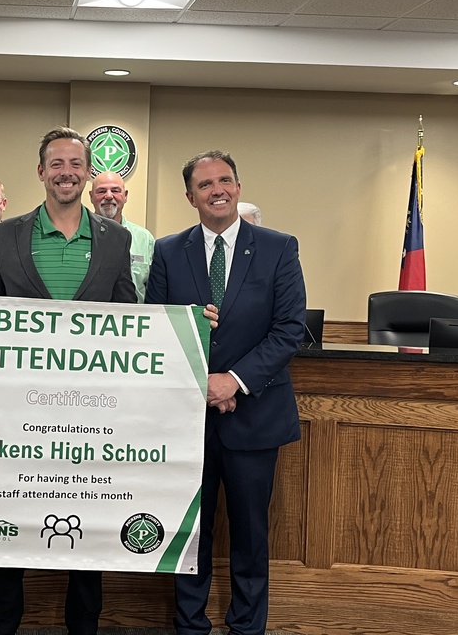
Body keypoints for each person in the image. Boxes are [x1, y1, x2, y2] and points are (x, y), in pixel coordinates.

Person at [0, 127, 136, 635]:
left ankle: (84, 627)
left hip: (90, 414)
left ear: (87, 173)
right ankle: (3, 625)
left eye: (75, 164)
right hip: (19, 414)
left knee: (87, 520)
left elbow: (130, 317)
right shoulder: (7, 235)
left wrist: (189, 324)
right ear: (41, 171)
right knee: (10, 517)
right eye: (57, 164)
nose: (66, 173)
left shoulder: (116, 239)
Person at [145, 151, 305, 635]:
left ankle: (247, 627)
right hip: (186, 418)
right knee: (190, 530)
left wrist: (232, 381)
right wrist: (203, 384)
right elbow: (157, 329)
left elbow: (289, 329)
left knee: (251, 535)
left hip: (254, 415)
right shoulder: (168, 251)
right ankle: (190, 625)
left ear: (237, 187)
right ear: (190, 196)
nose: (217, 190)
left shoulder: (278, 247)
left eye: (225, 180)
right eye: (205, 184)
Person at [88, 170, 155, 303]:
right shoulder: (80, 235)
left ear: (125, 196)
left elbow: (153, 291)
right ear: (91, 196)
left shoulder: (144, 239)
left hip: (133, 315)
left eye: (115, 190)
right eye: (101, 191)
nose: (108, 196)